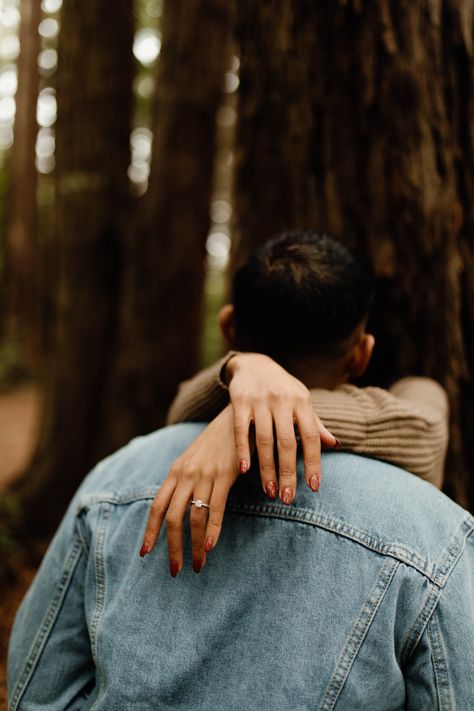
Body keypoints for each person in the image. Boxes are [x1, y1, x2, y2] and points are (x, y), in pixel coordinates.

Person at [8, 423, 474, 709]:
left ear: (230, 327)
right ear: (361, 352)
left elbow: (37, 692)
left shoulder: (115, 476)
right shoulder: (433, 528)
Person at [140, 232, 449, 576]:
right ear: (361, 354)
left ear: (227, 326)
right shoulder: (399, 460)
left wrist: (245, 410)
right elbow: (425, 418)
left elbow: (183, 405)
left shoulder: (127, 467)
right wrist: (248, 377)